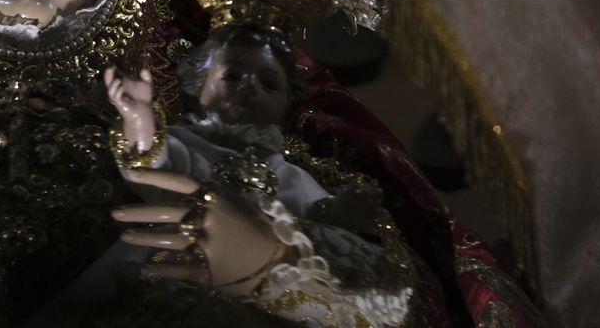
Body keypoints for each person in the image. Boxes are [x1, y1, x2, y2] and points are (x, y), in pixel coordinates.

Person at [102, 28, 412, 326]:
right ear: (198, 85)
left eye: (268, 83)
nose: (249, 87)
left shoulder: (289, 170)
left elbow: (314, 223)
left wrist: (341, 212)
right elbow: (148, 168)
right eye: (232, 75)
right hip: (176, 259)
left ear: (286, 105)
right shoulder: (186, 141)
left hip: (258, 296)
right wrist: (139, 120)